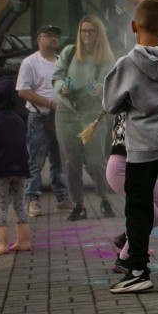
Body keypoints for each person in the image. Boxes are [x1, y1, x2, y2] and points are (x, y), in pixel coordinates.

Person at [104, 0, 158, 293]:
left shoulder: (126, 64)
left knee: (138, 209)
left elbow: (111, 104)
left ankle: (138, 271)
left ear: (132, 26)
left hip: (140, 149)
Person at [52, 14, 116, 221]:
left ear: (99, 33)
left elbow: (113, 84)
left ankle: (104, 198)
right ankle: (78, 204)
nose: (87, 35)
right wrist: (60, 87)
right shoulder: (69, 52)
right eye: (84, 31)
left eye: (91, 31)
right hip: (67, 111)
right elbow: (56, 76)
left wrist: (101, 88)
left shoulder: (106, 58)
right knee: (71, 161)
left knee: (96, 159)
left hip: (93, 113)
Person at [104, 113, 158, 273]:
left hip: (140, 166)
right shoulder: (131, 111)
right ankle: (123, 259)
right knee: (150, 214)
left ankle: (127, 237)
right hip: (121, 167)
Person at [15, 25, 71, 217]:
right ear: (39, 39)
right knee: (36, 161)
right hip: (39, 116)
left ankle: (62, 198)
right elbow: (23, 91)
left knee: (59, 159)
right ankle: (33, 200)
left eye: (55, 36)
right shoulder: (30, 62)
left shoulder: (61, 62)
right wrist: (48, 102)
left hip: (59, 117)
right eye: (48, 36)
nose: (53, 39)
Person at [0, 77, 31, 254]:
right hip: (20, 168)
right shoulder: (18, 119)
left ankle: (1, 244)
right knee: (20, 204)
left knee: (0, 205)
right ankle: (24, 241)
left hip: (0, 168)